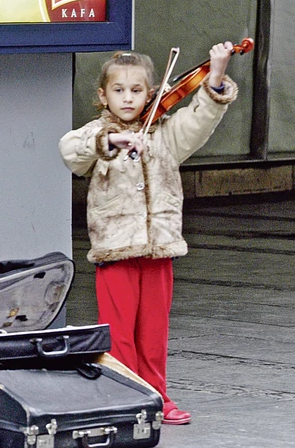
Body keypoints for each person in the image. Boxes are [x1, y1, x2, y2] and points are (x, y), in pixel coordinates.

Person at [58, 43, 238, 425]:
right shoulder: (97, 134)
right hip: (115, 248)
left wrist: (217, 75)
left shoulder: (165, 136)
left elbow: (199, 120)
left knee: (154, 332)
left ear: (151, 94)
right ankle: (124, 395)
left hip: (159, 247)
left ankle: (156, 394)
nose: (128, 98)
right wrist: (111, 141)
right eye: (118, 90)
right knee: (119, 332)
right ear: (102, 96)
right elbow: (71, 151)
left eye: (137, 90)